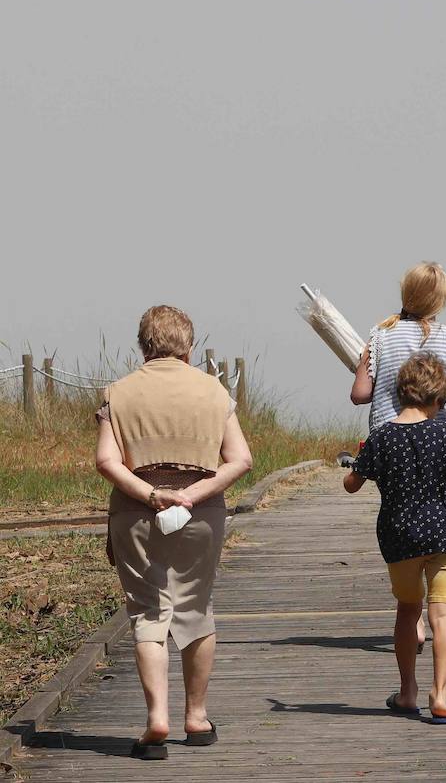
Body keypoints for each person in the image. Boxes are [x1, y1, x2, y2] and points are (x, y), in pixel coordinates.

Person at [95, 306, 253, 759]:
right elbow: (240, 459)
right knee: (195, 608)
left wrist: (150, 494)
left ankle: (156, 719)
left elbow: (106, 461)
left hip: (134, 510)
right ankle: (197, 718)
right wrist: (194, 492)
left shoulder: (118, 393)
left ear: (143, 345)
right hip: (200, 513)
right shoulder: (213, 391)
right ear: (188, 345)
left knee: (148, 612)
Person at [343, 353, 446, 725]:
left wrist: (358, 464)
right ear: (440, 399)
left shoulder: (381, 437)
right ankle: (440, 694)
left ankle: (407, 690)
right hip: (444, 534)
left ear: (399, 394)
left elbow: (350, 485)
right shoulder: (444, 432)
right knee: (443, 616)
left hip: (400, 538)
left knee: (408, 611)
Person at [351, 262, 446, 644]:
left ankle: (413, 617)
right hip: (445, 443)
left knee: (403, 520)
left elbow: (359, 395)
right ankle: (445, 610)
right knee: (443, 523)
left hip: (391, 444)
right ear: (440, 300)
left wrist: (364, 361)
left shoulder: (379, 336)